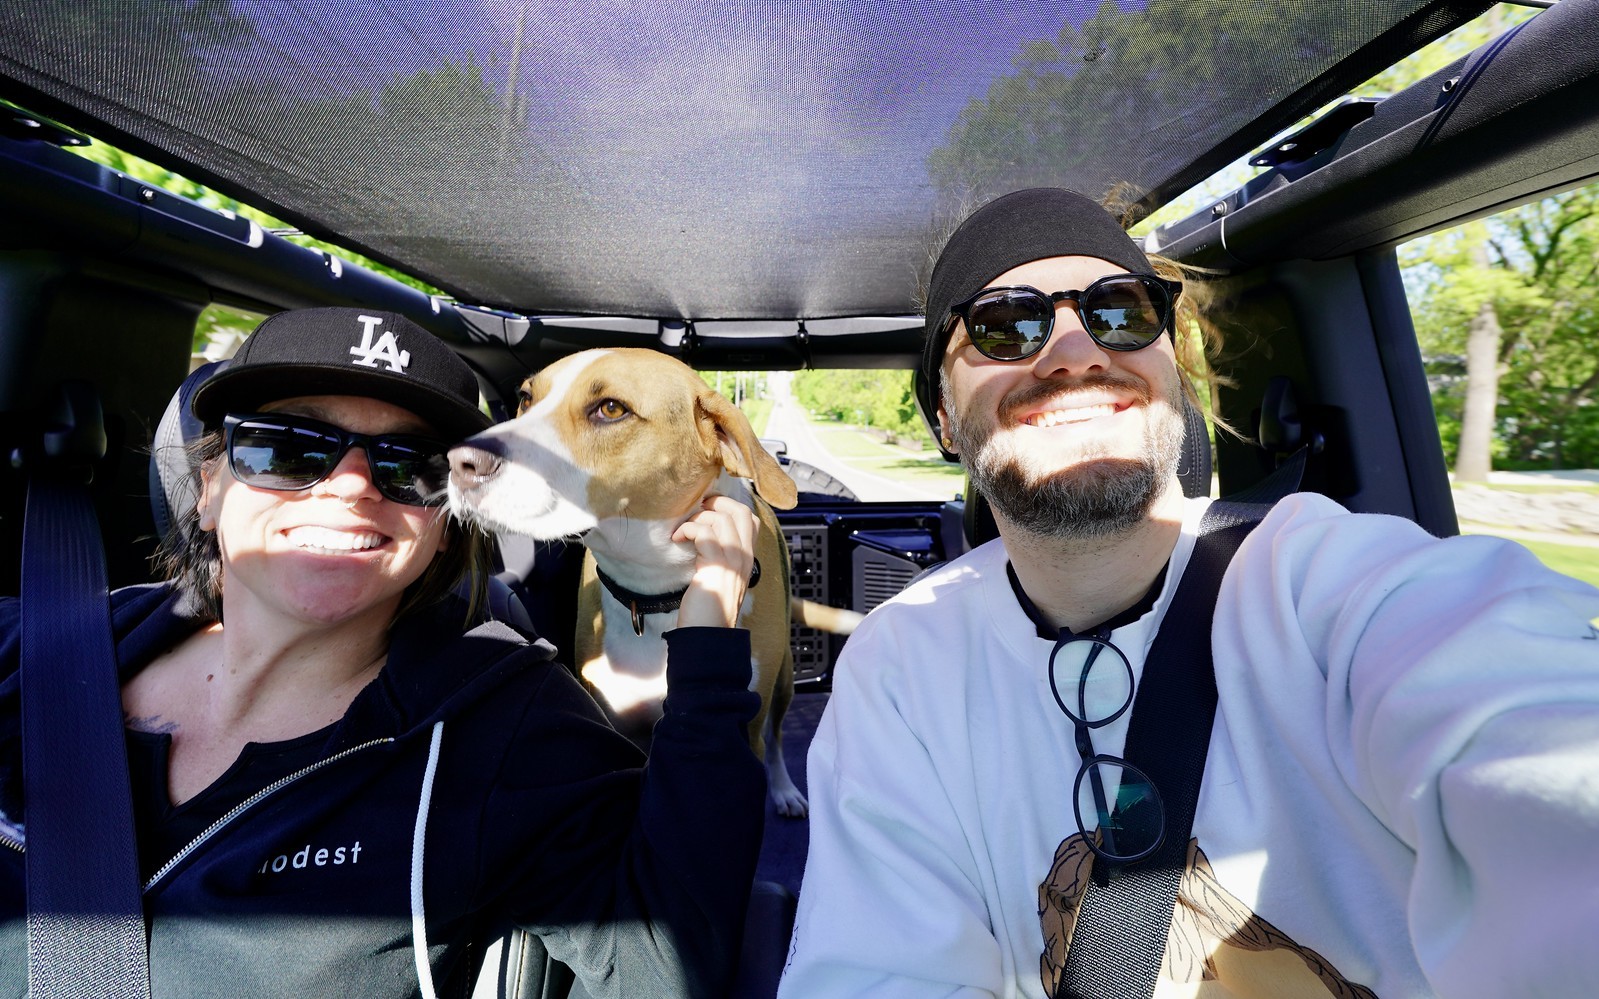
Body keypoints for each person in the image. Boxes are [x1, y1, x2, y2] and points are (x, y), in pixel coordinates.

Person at [779, 188, 1599, 998]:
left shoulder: (1335, 585)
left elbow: (1537, 739)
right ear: (941, 414)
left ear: (1170, 372)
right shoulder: (901, 660)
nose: (1075, 352)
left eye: (1120, 311)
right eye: (1005, 324)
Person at [0, 307, 767, 998]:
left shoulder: (507, 727)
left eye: (408, 464)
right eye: (288, 448)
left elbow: (664, 967)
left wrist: (706, 638)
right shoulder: (41, 639)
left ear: (444, 522)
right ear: (208, 488)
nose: (349, 486)